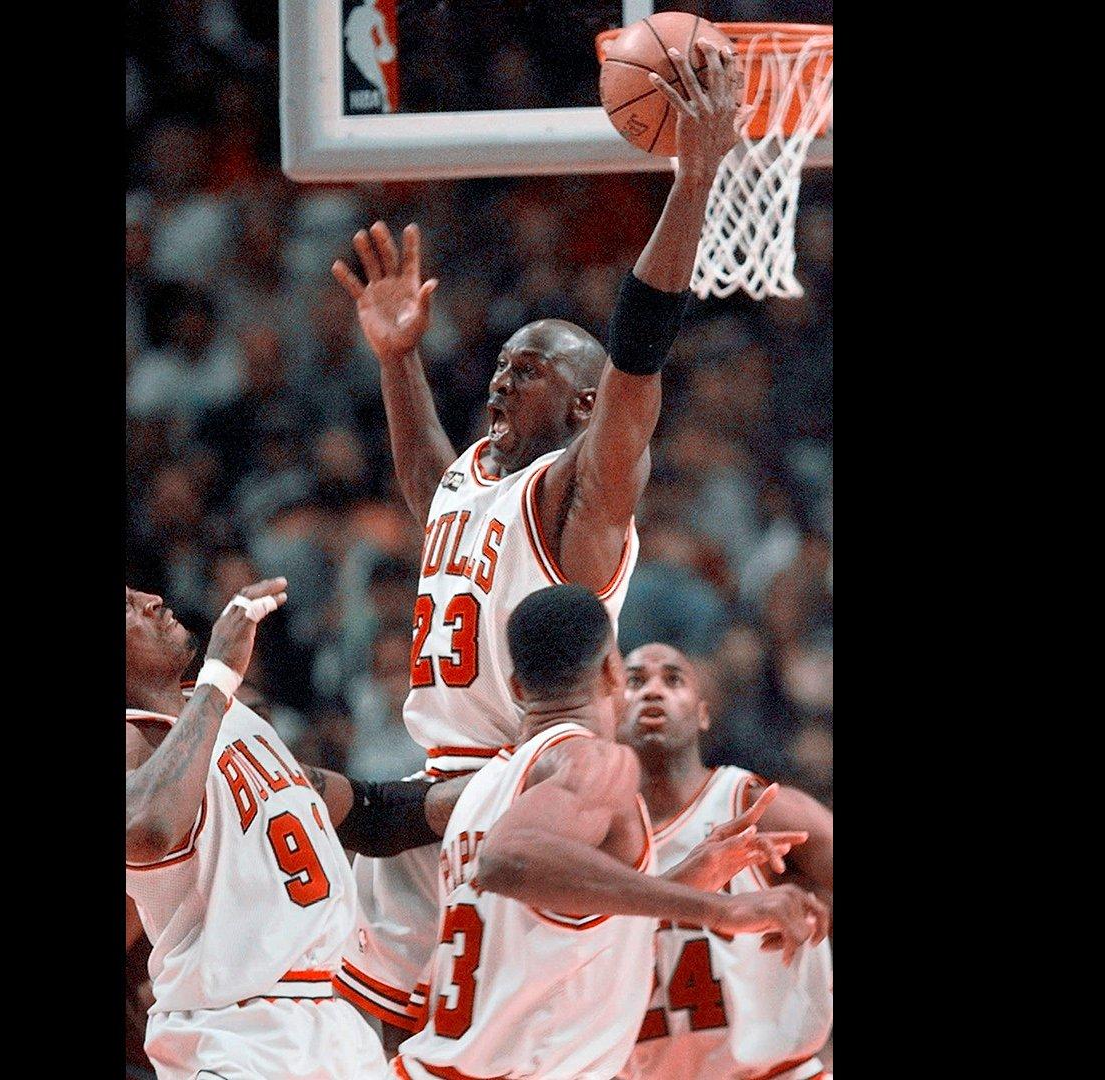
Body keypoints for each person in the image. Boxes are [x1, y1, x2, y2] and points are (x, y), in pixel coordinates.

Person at [328, 36, 753, 1043]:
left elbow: (641, 354)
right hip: (432, 786)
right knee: (362, 1034)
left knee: (528, 1043)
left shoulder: (584, 495)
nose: (500, 379)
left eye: (527, 371)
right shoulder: (479, 480)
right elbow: (429, 484)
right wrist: (398, 360)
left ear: (582, 407)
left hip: (526, 786)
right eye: (503, 365)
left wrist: (691, 183)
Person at [392, 584, 825, 1080]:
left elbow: (558, 920)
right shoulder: (599, 759)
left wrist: (683, 879)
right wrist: (720, 907)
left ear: (516, 687)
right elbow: (508, 860)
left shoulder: (482, 787)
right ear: (611, 673)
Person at [125, 582, 471, 1078]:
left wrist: (507, 780)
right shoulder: (141, 735)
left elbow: (371, 813)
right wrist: (218, 677)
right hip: (233, 1036)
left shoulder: (235, 717)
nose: (151, 600)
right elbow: (146, 830)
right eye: (128, 607)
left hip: (331, 1025)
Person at [616, 642, 835, 1080]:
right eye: (635, 680)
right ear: (609, 712)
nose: (653, 691)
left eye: (673, 679)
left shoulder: (753, 805)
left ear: (702, 713)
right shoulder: (591, 839)